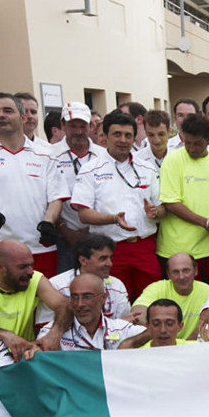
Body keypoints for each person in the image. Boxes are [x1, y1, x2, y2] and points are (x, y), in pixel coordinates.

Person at [0, 93, 69, 277]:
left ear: (23, 116)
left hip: (41, 248)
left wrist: (48, 222)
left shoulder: (47, 153)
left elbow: (56, 197)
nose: (1, 115)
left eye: (7, 110)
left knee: (42, 304)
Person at [72, 111, 163, 299]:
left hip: (144, 248)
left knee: (151, 301)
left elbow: (162, 206)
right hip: (108, 251)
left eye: (128, 135)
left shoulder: (147, 168)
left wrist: (156, 211)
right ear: (105, 136)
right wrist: (113, 219)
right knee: (114, 303)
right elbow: (83, 214)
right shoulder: (91, 169)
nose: (123, 140)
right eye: (117, 134)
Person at [0, 239, 70, 359]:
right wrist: (5, 335)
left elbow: (65, 306)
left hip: (25, 355)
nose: (30, 272)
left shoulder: (35, 279)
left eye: (31, 264)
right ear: (0, 267)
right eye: (23, 267)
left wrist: (54, 334)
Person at [157, 114, 209, 284]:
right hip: (178, 249)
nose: (192, 148)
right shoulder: (172, 160)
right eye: (187, 143)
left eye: (197, 143)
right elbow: (171, 203)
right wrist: (207, 223)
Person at [34, 233, 130, 328]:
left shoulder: (117, 285)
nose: (109, 264)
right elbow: (43, 328)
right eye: (103, 259)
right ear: (83, 260)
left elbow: (124, 324)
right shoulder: (56, 286)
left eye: (110, 258)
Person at [49, 101, 101, 272]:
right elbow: (45, 196)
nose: (78, 131)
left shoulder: (103, 155)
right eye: (72, 125)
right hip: (64, 236)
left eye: (83, 126)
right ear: (62, 125)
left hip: (99, 235)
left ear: (91, 126)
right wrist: (64, 229)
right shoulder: (50, 155)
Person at [37, 273, 145, 350]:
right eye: (75, 297)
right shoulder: (49, 333)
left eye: (87, 297)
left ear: (103, 298)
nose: (80, 304)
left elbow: (156, 333)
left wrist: (130, 342)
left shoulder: (122, 329)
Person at [129, 252, 209, 340]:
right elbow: (138, 313)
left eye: (186, 270)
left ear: (195, 270)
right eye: (175, 272)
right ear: (168, 274)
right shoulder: (157, 288)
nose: (181, 276)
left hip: (195, 347)